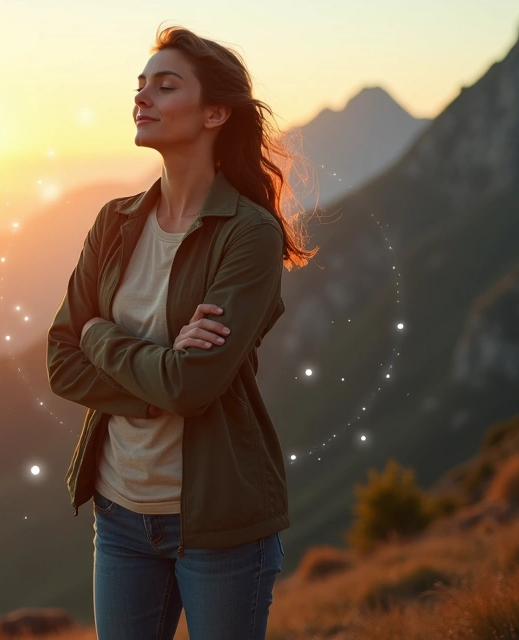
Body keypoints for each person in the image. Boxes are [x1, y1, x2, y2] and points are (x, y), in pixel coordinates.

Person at [45, 24, 317, 640]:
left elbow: (191, 388)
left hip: (219, 524)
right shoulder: (113, 223)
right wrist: (162, 374)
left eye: (165, 86)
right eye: (140, 85)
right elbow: (61, 362)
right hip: (118, 514)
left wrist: (100, 337)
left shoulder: (248, 234)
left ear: (215, 112)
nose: (142, 97)